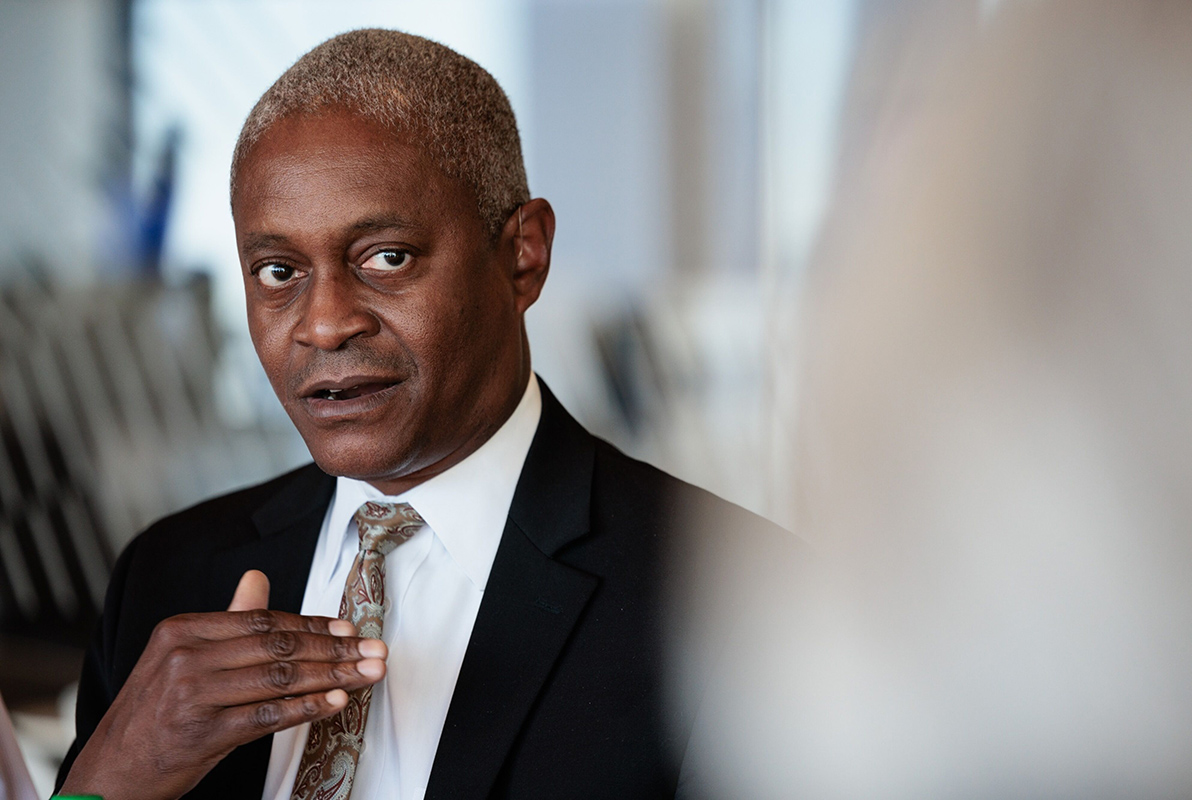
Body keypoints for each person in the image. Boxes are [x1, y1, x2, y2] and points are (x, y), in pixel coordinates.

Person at [56, 29, 795, 800]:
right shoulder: (167, 576)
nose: (323, 323)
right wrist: (111, 779)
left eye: (386, 257)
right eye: (278, 272)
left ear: (523, 256)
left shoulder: (736, 603)